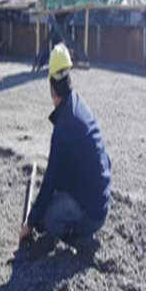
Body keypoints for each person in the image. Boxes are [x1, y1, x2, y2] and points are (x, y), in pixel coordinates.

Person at [19, 44, 111, 250]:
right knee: (52, 199)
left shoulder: (64, 127)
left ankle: (80, 240)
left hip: (93, 213)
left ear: (52, 87)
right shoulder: (78, 105)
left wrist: (31, 223)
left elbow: (50, 179)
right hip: (101, 198)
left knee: (50, 218)